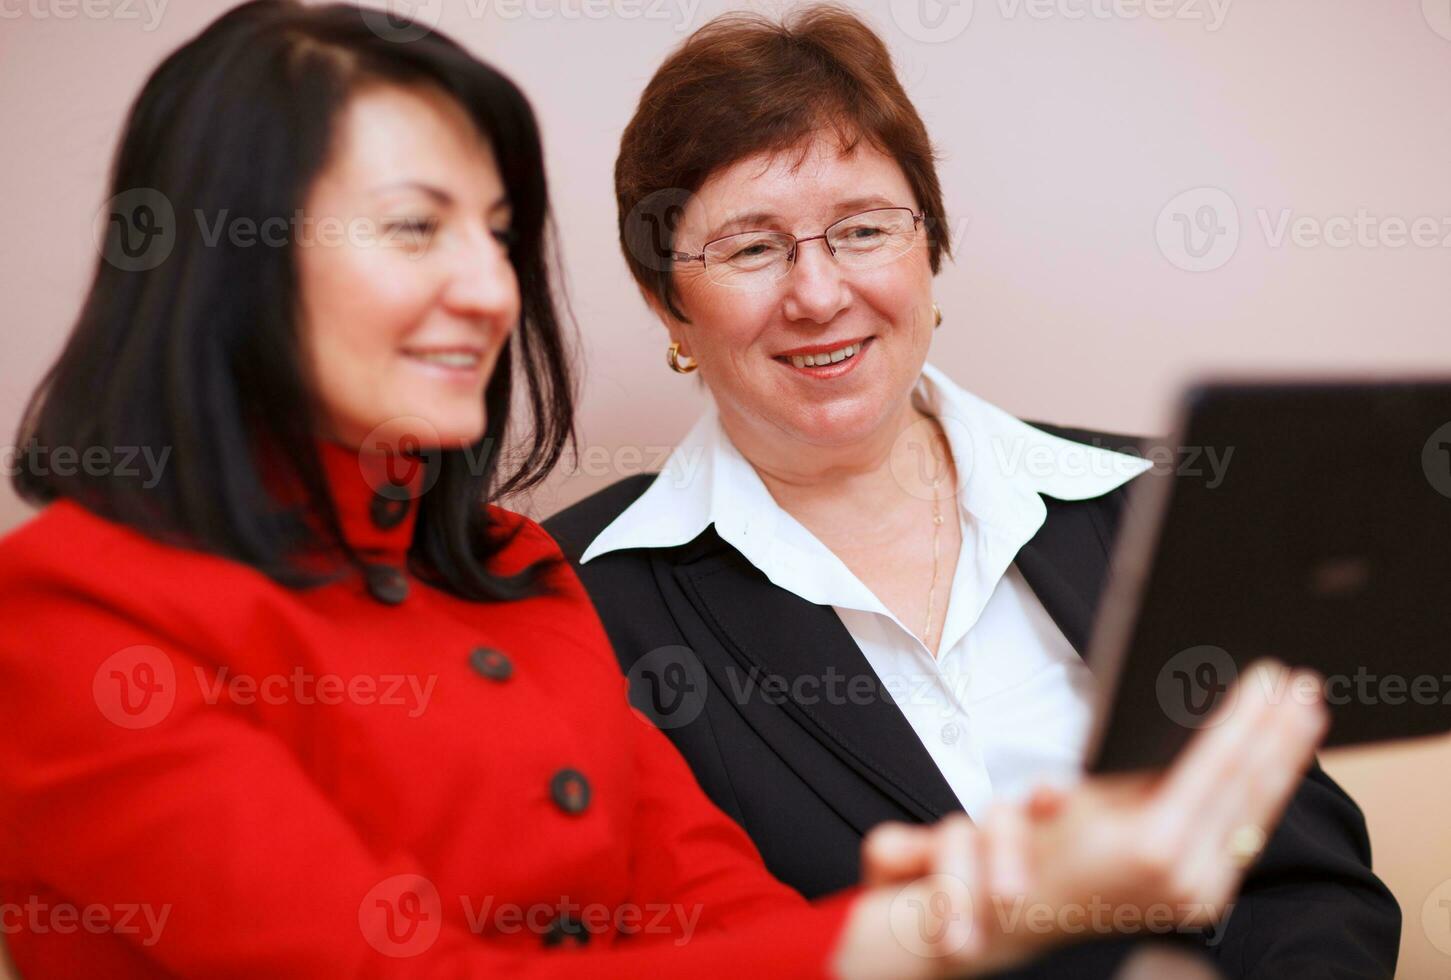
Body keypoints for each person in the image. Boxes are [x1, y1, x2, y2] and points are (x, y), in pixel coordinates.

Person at [0, 2, 1330, 978]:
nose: (485, 288)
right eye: (418, 226)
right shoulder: (67, 616)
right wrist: (949, 920)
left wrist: (978, 907)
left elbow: (726, 916)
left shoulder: (508, 580)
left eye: (498, 232)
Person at [543, 7, 1401, 978]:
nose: (817, 293)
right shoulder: (575, 604)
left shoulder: (1150, 505)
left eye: (862, 229)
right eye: (749, 248)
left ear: (928, 245)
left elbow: (1307, 884)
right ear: (667, 302)